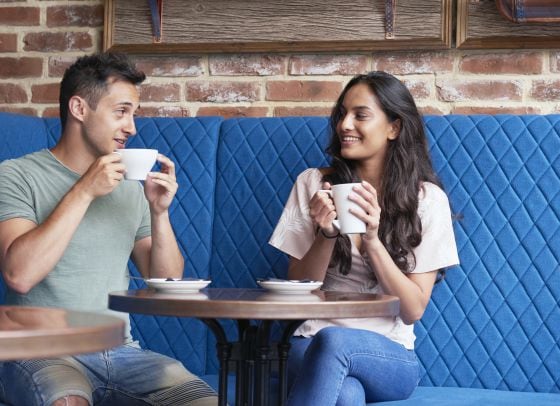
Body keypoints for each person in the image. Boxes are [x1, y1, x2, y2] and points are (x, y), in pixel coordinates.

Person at [0, 53, 218, 405]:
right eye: (121, 112)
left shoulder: (131, 190)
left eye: (133, 113)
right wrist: (85, 189)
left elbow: (166, 284)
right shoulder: (16, 175)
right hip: (39, 347)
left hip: (119, 353)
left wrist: (159, 212)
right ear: (79, 109)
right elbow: (19, 274)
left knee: (205, 402)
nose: (132, 127)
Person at [269, 71, 459, 405]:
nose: (344, 125)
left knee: (336, 342)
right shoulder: (312, 183)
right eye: (342, 113)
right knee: (346, 394)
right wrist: (327, 234)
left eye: (360, 115)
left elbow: (412, 309)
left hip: (388, 355)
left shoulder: (428, 200)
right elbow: (297, 292)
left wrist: (371, 240)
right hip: (309, 342)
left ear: (393, 128)